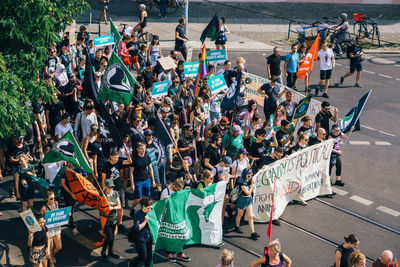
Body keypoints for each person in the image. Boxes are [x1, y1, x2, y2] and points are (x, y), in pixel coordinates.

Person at [101, 147, 132, 232]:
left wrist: (127, 154)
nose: (116, 159)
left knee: (120, 207)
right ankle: (108, 223)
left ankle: (120, 224)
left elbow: (130, 162)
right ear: (110, 157)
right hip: (110, 190)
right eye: (115, 157)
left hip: (119, 187)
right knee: (109, 207)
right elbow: (103, 178)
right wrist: (103, 190)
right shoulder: (106, 166)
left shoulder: (119, 162)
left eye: (117, 157)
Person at [130, 142, 155, 216]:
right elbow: (131, 172)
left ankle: (143, 211)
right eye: (141, 149)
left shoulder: (147, 157)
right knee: (138, 199)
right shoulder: (134, 159)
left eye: (144, 148)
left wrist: (153, 180)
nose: (143, 150)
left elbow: (150, 168)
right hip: (138, 182)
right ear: (137, 149)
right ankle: (132, 208)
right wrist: (132, 184)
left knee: (146, 197)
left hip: (147, 180)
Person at [234, 168, 259, 240]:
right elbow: (247, 192)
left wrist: (252, 199)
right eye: (248, 176)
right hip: (243, 199)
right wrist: (252, 185)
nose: (250, 177)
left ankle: (253, 232)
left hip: (248, 199)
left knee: (250, 216)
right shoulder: (242, 182)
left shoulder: (250, 180)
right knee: (240, 214)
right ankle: (237, 226)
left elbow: (252, 192)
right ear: (245, 175)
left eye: (251, 175)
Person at [40, 189, 62, 267]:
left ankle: (51, 255)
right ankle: (51, 262)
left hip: (56, 227)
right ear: (46, 198)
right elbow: (41, 220)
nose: (53, 200)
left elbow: (59, 214)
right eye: (51, 198)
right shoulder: (43, 208)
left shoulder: (56, 203)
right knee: (51, 246)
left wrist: (67, 215)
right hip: (48, 229)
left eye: (54, 198)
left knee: (59, 246)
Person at [129, 198, 154, 267]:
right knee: (143, 256)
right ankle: (132, 264)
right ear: (143, 206)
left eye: (151, 208)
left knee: (149, 257)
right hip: (140, 238)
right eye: (148, 208)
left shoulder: (151, 212)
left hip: (149, 237)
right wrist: (145, 221)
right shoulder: (138, 214)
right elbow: (137, 228)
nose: (150, 210)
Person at [101, 179, 122, 260]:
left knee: (112, 237)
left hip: (114, 218)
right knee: (109, 237)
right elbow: (100, 207)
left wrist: (112, 207)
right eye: (109, 187)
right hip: (105, 219)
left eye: (112, 187)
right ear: (105, 187)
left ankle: (110, 252)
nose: (111, 189)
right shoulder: (102, 194)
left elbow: (119, 206)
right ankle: (103, 251)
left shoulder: (115, 193)